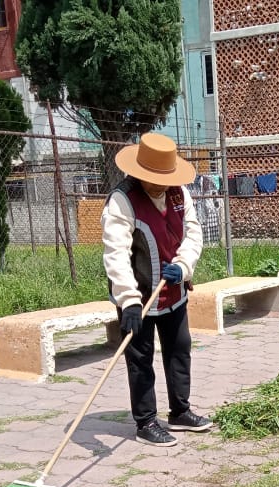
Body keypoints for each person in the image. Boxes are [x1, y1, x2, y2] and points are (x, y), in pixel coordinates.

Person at [101, 133, 212, 447]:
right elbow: (116, 254)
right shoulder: (122, 201)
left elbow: (193, 234)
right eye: (154, 179)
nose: (160, 184)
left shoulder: (180, 194)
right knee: (141, 357)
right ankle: (146, 422)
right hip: (138, 295)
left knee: (179, 348)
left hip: (173, 289)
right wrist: (130, 301)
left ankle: (180, 412)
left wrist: (184, 265)